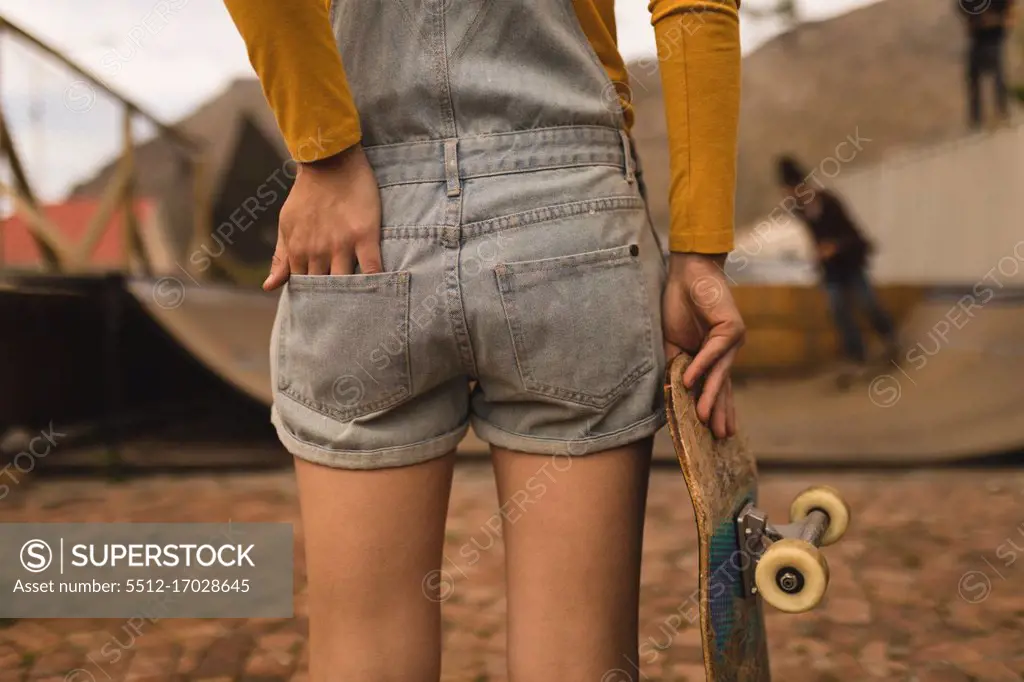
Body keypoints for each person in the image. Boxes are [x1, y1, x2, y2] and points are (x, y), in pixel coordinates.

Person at [224, 1, 744, 680]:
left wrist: (324, 151)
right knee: (577, 657)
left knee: (364, 645)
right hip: (567, 216)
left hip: (361, 218)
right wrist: (699, 249)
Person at [776, 156, 898, 373]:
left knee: (867, 302)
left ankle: (890, 341)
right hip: (831, 269)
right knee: (838, 308)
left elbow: (852, 233)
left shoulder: (828, 202)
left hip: (850, 262)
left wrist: (835, 246)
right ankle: (857, 355)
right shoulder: (800, 210)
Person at [959, 0, 1017, 128]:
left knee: (997, 72)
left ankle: (1001, 112)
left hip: (994, 31)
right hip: (979, 32)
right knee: (974, 74)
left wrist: (1002, 18)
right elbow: (962, 7)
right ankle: (977, 118)